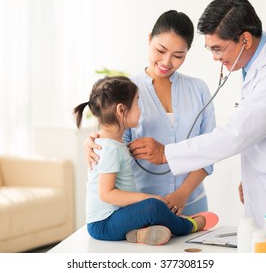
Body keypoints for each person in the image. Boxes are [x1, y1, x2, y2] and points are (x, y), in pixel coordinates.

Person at [128, 0, 266, 229]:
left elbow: (237, 134)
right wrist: (252, 175)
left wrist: (167, 153)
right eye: (210, 49)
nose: (216, 58)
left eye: (218, 49)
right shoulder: (257, 64)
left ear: (245, 40)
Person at [87, 10, 216, 216]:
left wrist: (182, 193)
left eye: (178, 56)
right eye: (160, 50)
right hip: (143, 207)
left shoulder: (199, 90)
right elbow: (114, 142)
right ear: (149, 39)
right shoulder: (127, 92)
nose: (166, 62)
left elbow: (209, 150)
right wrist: (96, 142)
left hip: (193, 203)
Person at [74, 76, 218, 245]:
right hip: (104, 223)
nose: (140, 109)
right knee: (152, 207)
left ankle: (138, 235)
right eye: (137, 103)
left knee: (150, 209)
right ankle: (189, 225)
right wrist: (146, 198)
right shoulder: (110, 148)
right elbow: (106, 194)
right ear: (121, 110)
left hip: (117, 217)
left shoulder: (115, 144)